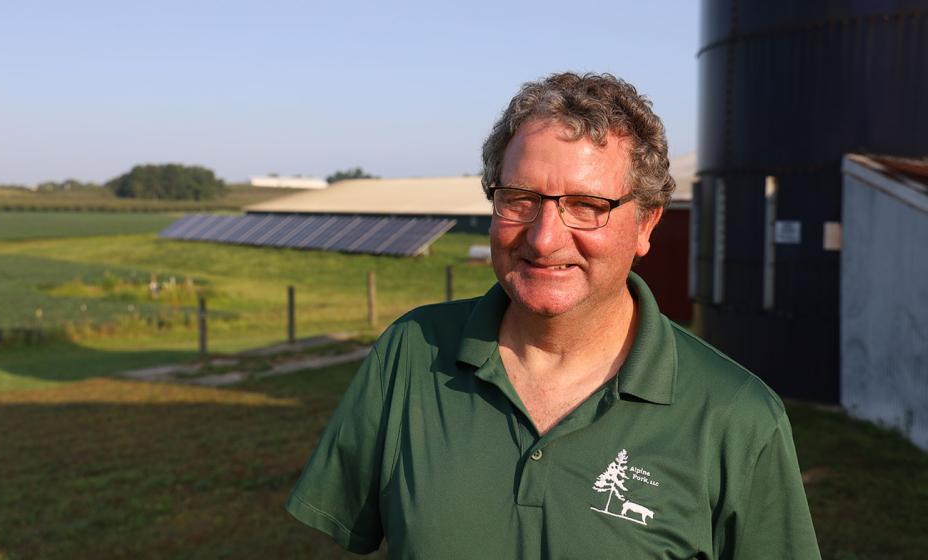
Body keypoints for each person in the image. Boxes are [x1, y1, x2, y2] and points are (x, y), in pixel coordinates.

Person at [286, 72, 821, 559]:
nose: (543, 239)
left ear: (646, 224)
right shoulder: (411, 353)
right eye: (519, 198)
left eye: (587, 205)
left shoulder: (735, 416)